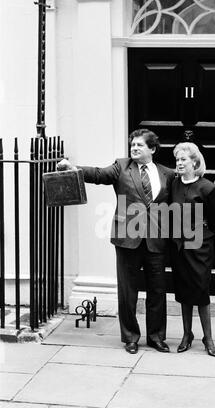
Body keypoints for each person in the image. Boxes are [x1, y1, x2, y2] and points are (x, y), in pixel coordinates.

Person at [57, 129, 175, 354]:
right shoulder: (121, 167)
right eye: (133, 144)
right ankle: (130, 337)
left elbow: (181, 197)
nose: (135, 148)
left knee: (157, 291)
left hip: (157, 240)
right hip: (127, 239)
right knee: (128, 291)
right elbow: (99, 174)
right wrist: (75, 169)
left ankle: (156, 337)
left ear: (152, 149)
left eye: (140, 145)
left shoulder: (167, 173)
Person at [170, 142, 215, 357]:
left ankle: (208, 338)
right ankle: (186, 335)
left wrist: (200, 234)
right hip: (178, 246)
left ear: (195, 162)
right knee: (183, 291)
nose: (179, 163)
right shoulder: (173, 184)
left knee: (200, 290)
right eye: (177, 160)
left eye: (183, 159)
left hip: (200, 246)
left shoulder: (207, 187)